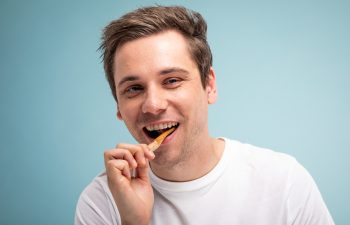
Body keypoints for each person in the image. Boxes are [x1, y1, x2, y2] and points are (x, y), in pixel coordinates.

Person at [75, 5, 334, 225]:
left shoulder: (285, 183)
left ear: (209, 85)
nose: (153, 105)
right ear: (118, 106)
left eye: (172, 80)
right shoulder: (102, 201)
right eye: (133, 89)